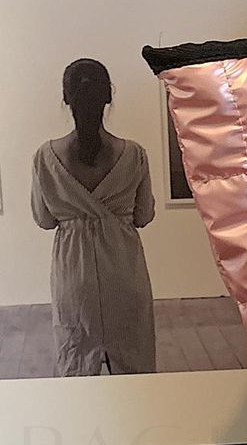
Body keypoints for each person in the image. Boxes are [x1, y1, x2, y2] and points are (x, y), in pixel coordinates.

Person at [30, 58, 157, 376]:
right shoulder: (134, 154)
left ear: (66, 98)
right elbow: (144, 215)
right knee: (134, 366)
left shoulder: (45, 157)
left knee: (76, 365)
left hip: (74, 275)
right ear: (108, 96)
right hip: (124, 271)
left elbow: (44, 220)